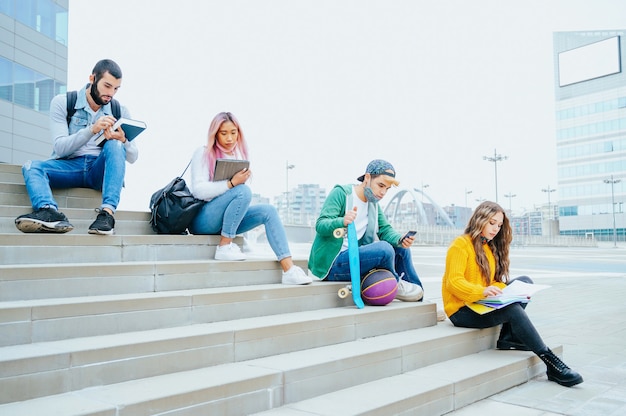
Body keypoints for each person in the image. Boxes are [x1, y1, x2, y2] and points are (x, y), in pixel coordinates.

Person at [441, 201, 583, 387]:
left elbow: (491, 282)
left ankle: (508, 337)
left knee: (524, 282)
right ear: (480, 219)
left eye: (499, 225)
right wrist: (482, 291)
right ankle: (551, 363)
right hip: (461, 311)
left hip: (479, 303)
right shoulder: (460, 245)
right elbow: (454, 282)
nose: (495, 229)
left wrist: (502, 289)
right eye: (492, 223)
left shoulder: (488, 248)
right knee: (513, 310)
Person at [15, 59, 139, 235]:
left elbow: (133, 157)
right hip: (69, 166)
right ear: (92, 78)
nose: (111, 93)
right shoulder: (63, 102)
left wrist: (123, 140)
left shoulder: (119, 110)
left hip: (99, 169)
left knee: (115, 145)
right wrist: (91, 130)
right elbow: (60, 148)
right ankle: (49, 211)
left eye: (116, 89)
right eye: (107, 86)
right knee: (31, 166)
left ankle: (107, 214)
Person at [188, 111, 312, 286]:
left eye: (233, 132)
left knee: (268, 210)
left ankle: (289, 270)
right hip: (203, 219)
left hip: (224, 222)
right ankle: (224, 246)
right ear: (215, 134)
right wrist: (231, 183)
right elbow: (198, 191)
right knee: (243, 191)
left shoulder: (235, 157)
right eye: (224, 133)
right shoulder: (202, 153)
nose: (229, 138)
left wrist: (236, 182)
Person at [308, 159, 424, 302]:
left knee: (401, 249)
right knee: (384, 249)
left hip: (356, 258)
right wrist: (341, 221)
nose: (383, 193)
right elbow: (320, 225)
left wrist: (400, 239)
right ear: (367, 178)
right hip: (333, 264)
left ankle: (419, 297)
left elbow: (385, 230)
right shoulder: (341, 193)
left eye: (387, 189)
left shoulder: (373, 205)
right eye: (380, 185)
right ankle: (393, 282)